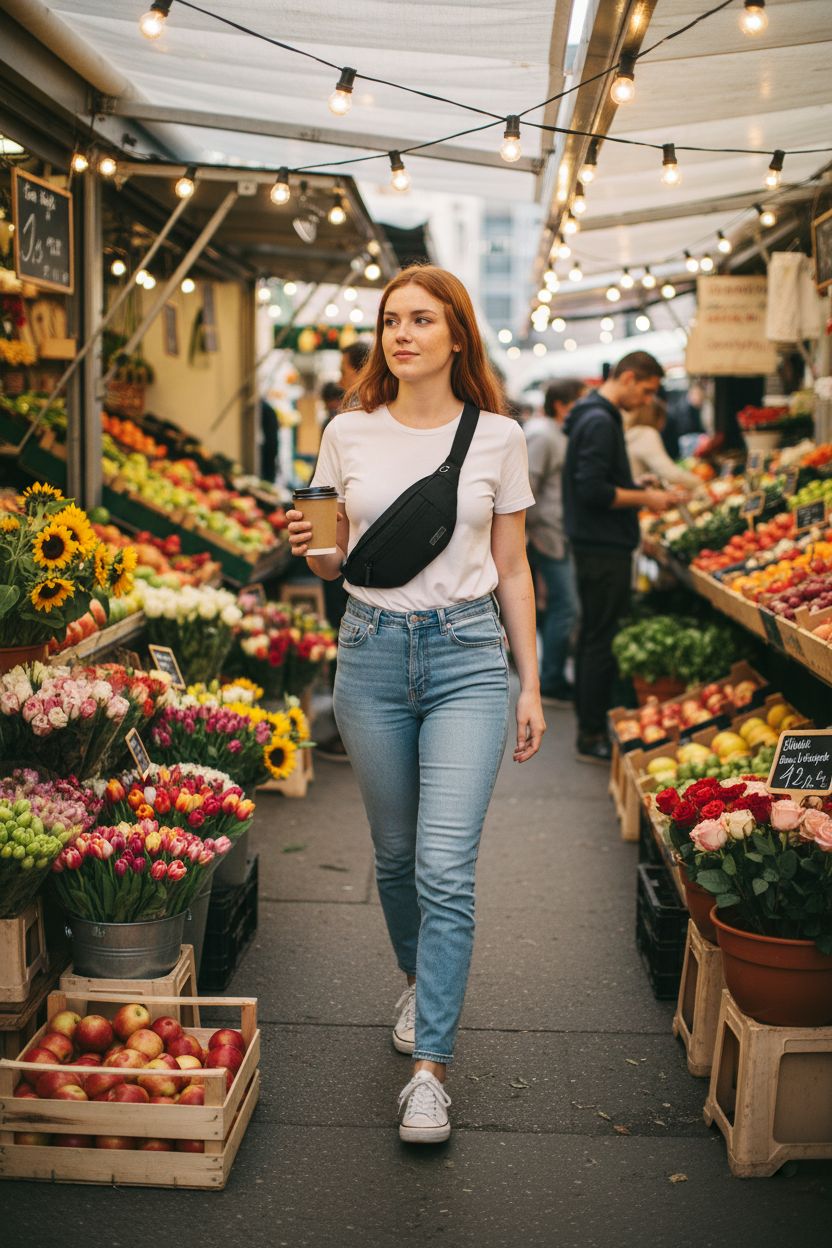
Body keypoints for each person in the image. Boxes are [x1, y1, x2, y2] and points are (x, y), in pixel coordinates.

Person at [285, 264, 544, 1145]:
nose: (401, 334)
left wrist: (531, 682)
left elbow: (513, 569)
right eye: (391, 320)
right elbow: (333, 562)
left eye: (421, 320)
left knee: (443, 866)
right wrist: (310, 551)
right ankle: (416, 977)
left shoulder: (500, 438)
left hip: (470, 656)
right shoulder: (347, 432)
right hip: (369, 652)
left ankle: (430, 1068)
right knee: (395, 858)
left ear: (456, 337)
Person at [563, 351, 680, 765]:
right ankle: (591, 733)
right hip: (602, 547)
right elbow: (593, 490)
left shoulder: (593, 414)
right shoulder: (599, 420)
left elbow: (598, 482)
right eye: (647, 391)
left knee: (597, 634)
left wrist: (633, 483)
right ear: (629, 378)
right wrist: (646, 497)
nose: (648, 400)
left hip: (595, 543)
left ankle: (592, 726)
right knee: (600, 639)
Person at [524, 378, 584, 705]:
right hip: (548, 532)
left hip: (555, 530)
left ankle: (551, 674)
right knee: (566, 606)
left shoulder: (553, 434)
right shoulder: (542, 435)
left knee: (560, 606)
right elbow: (526, 489)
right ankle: (550, 680)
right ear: (562, 404)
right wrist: (534, 533)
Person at [625, 397, 699, 489]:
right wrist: (700, 483)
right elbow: (670, 473)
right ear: (658, 417)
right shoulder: (646, 434)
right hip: (638, 498)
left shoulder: (631, 433)